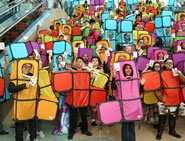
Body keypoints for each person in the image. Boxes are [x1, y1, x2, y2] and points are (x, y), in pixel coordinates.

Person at [111, 64, 145, 141]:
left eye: (130, 68)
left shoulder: (135, 80)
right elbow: (113, 87)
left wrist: (142, 85)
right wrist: (113, 76)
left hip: (133, 106)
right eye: (126, 68)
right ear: (124, 70)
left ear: (132, 70)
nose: (128, 70)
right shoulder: (119, 80)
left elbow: (139, 92)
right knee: (124, 125)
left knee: (132, 125)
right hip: (123, 105)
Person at [155, 58, 185, 140]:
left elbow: (184, 82)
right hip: (164, 99)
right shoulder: (159, 73)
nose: (169, 64)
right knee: (163, 117)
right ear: (164, 64)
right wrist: (160, 97)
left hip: (175, 98)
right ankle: (159, 132)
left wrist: (180, 75)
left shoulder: (177, 73)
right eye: (167, 63)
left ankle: (172, 131)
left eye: (171, 63)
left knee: (173, 116)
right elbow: (155, 86)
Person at [8, 63, 37, 141]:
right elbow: (10, 89)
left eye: (29, 67)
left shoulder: (33, 76)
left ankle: (33, 138)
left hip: (31, 105)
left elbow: (38, 89)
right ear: (21, 67)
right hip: (20, 106)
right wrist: (23, 86)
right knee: (19, 127)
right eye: (25, 66)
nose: (27, 68)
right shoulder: (16, 77)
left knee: (33, 125)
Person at [68, 57, 92, 140]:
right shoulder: (70, 72)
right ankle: (71, 131)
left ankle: (85, 129)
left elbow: (92, 79)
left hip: (83, 97)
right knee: (73, 116)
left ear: (83, 63)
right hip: (73, 97)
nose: (78, 63)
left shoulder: (87, 72)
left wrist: (93, 75)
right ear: (75, 63)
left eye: (80, 61)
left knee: (84, 115)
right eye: (77, 61)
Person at [0, 48, 9, 135]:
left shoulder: (1, 69)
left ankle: (0, 129)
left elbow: (7, 63)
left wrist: (6, 54)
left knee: (0, 112)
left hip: (1, 94)